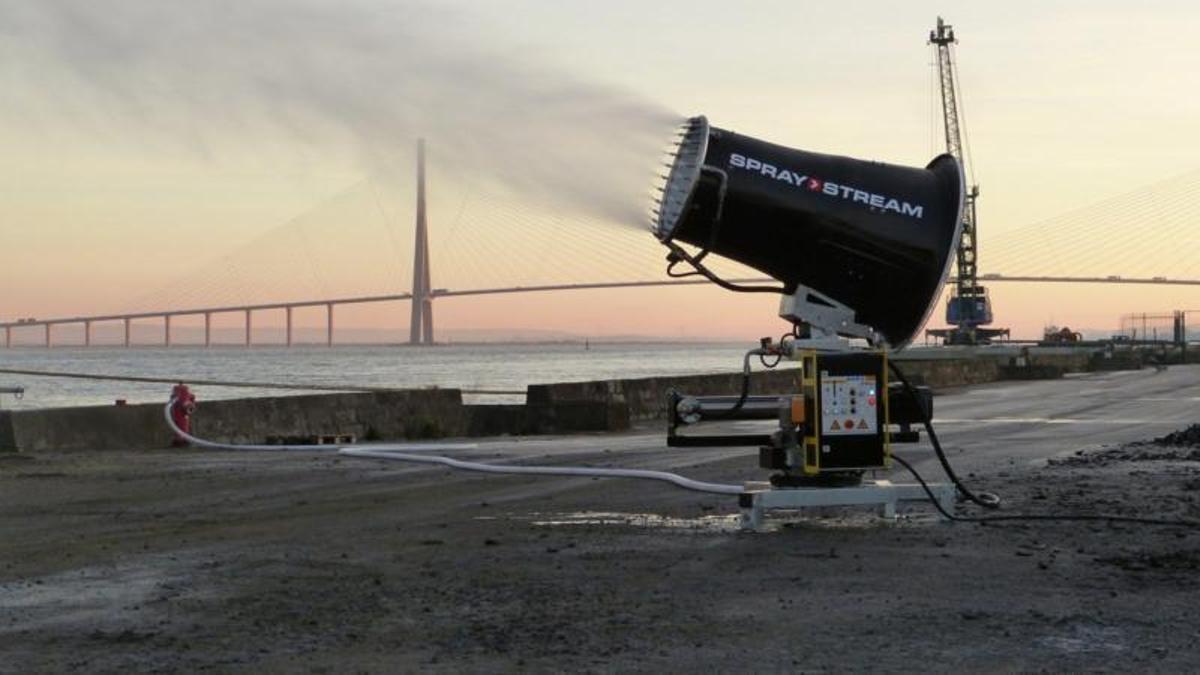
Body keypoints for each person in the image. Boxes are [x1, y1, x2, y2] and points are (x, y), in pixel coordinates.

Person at [169, 383, 197, 447]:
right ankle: (181, 438)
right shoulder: (182, 397)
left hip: (182, 413)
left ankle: (181, 438)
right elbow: (192, 397)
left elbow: (192, 397)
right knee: (180, 424)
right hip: (181, 413)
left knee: (181, 424)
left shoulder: (177, 397)